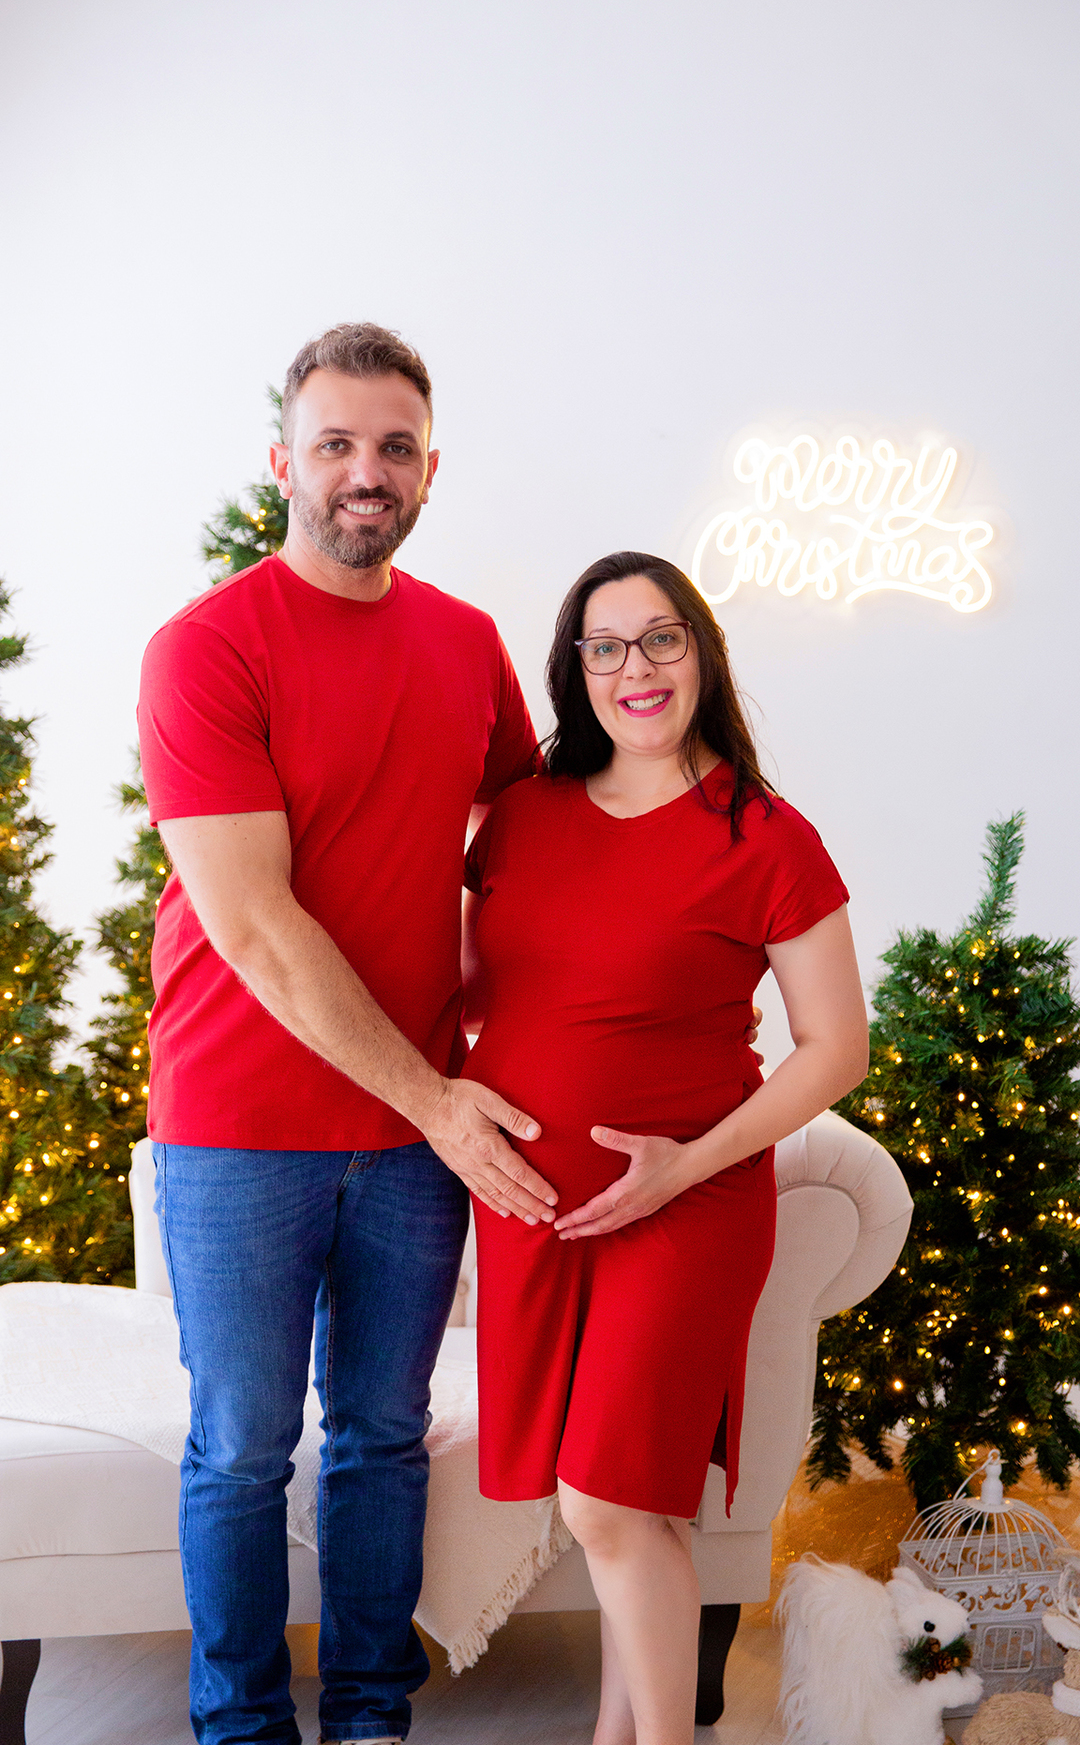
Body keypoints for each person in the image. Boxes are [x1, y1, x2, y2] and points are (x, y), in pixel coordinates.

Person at [137, 322, 560, 1745]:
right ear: (284, 463)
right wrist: (440, 1098)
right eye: (336, 444)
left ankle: (373, 1715)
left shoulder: (465, 644)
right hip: (240, 1124)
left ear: (429, 470)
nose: (364, 472)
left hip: (414, 1127)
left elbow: (535, 839)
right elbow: (255, 925)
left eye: (393, 448)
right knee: (245, 1444)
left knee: (383, 1436)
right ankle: (240, 1725)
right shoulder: (205, 650)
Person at [460, 551, 870, 1745]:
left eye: (660, 640)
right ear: (573, 667)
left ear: (702, 654)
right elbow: (483, 992)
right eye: (604, 645)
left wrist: (684, 1165)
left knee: (604, 1498)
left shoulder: (766, 834)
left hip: (685, 1203)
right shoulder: (522, 815)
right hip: (538, 1205)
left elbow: (834, 1047)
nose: (633, 668)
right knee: (633, 1507)